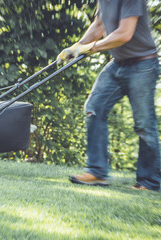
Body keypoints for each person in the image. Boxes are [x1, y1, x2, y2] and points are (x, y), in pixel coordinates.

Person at [57, 0, 160, 191]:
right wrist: (77, 45)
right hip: (118, 63)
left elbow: (124, 34)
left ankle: (150, 181)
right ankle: (97, 173)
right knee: (93, 108)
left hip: (143, 65)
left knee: (144, 124)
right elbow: (99, 26)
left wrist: (90, 48)